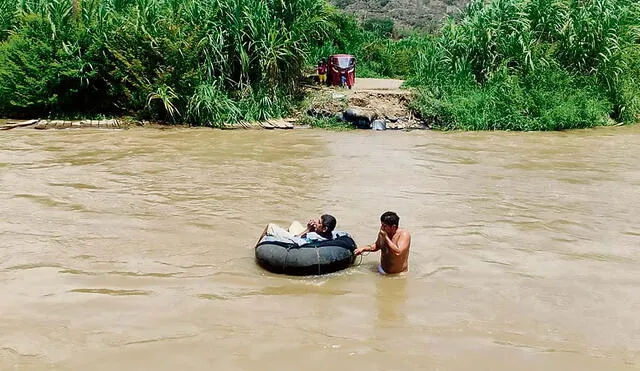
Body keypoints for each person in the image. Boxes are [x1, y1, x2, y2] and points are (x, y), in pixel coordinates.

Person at [256, 214, 337, 247]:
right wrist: (314, 229)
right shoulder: (330, 235)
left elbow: (297, 240)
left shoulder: (312, 237)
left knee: (270, 226)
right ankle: (284, 235)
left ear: (324, 229)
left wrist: (308, 229)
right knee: (295, 224)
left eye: (319, 222)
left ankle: (256, 248)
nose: (316, 221)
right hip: (308, 237)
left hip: (297, 239)